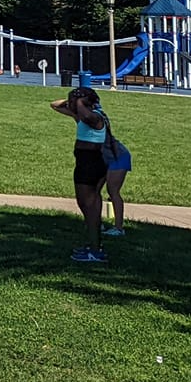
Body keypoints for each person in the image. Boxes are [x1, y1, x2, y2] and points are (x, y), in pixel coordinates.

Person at [51, 85, 119, 260]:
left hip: (91, 164)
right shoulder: (80, 117)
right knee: (87, 204)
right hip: (85, 163)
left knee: (89, 205)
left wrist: (80, 101)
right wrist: (72, 101)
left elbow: (87, 115)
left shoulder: (96, 118)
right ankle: (93, 243)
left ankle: (95, 249)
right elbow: (55, 105)